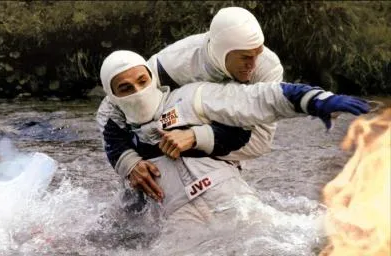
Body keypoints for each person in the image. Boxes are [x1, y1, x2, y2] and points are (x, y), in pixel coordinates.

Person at [98, 50, 369, 232]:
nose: (138, 91)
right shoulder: (120, 135)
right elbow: (110, 141)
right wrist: (128, 163)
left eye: (142, 81)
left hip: (233, 201)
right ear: (112, 96)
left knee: (311, 237)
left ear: (152, 78)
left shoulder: (191, 97)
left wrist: (315, 100)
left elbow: (254, 102)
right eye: (125, 88)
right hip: (179, 222)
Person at [97, 7, 284, 201]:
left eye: (258, 53)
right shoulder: (171, 64)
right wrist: (128, 163)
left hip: (220, 142)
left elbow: (260, 141)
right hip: (158, 143)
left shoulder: (267, 69)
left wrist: (195, 137)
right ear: (221, 51)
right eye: (245, 57)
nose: (253, 65)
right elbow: (108, 110)